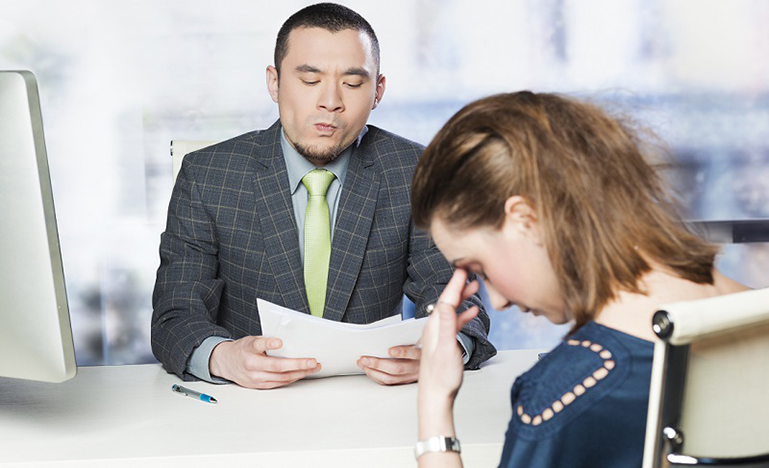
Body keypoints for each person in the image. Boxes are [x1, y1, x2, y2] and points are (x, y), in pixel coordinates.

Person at [151, 3, 495, 390]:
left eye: (352, 83)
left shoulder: (417, 170)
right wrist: (221, 357)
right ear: (274, 82)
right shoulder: (207, 175)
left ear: (378, 91)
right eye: (310, 80)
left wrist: (443, 348)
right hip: (248, 406)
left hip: (375, 400)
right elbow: (174, 315)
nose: (330, 101)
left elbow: (453, 294)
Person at [410, 92, 749, 467]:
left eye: (480, 268)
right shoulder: (752, 313)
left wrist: (434, 402)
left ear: (525, 219)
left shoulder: (570, 390)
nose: (499, 301)